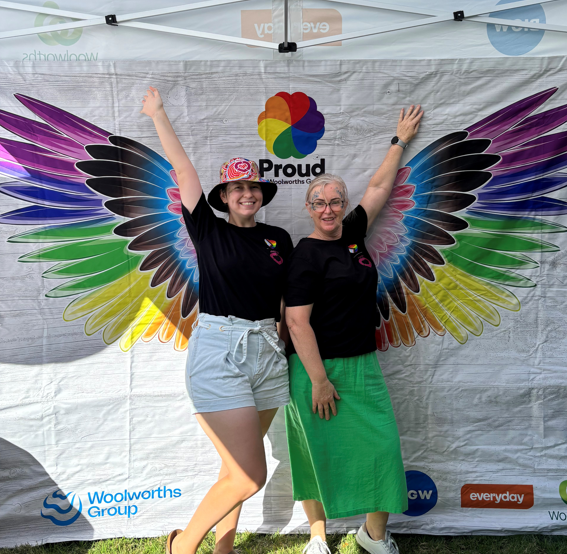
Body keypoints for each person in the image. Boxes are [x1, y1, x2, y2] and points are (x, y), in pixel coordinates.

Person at [140, 87, 293, 554]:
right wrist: (158, 114)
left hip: (268, 353)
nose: (246, 194)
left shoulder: (278, 237)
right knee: (250, 475)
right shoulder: (207, 229)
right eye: (236, 188)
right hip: (220, 351)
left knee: (234, 470)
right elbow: (183, 170)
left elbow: (286, 304)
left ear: (260, 194)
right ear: (224, 196)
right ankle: (182, 547)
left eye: (252, 187)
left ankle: (222, 550)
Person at [284, 106, 424, 554]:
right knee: (313, 451)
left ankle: (373, 535)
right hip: (315, 369)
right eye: (320, 203)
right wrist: (320, 380)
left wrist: (399, 140)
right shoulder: (305, 255)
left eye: (336, 201)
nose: (329, 209)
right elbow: (295, 321)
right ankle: (318, 537)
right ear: (308, 208)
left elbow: (380, 186)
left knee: (382, 446)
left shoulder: (352, 234)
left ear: (344, 205)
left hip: (363, 364)